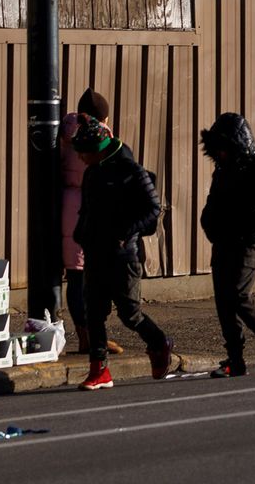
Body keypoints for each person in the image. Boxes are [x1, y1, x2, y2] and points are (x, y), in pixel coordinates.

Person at [70, 117, 183, 390]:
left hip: (123, 255)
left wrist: (125, 233)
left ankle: (158, 342)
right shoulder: (92, 172)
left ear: (99, 147)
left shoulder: (131, 171)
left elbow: (153, 209)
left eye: (84, 153)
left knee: (129, 313)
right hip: (95, 251)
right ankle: (99, 371)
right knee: (93, 312)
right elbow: (86, 208)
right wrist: (80, 232)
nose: (81, 159)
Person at [199, 113, 255, 378]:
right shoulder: (222, 171)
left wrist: (247, 225)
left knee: (238, 295)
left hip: (249, 243)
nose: (221, 154)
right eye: (218, 149)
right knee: (224, 302)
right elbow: (212, 204)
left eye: (225, 148)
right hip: (223, 242)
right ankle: (235, 360)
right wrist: (209, 224)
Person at [60, 89, 121, 357]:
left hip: (66, 203)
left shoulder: (64, 128)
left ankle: (85, 335)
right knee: (90, 278)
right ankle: (93, 337)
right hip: (90, 207)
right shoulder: (100, 135)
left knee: (74, 276)